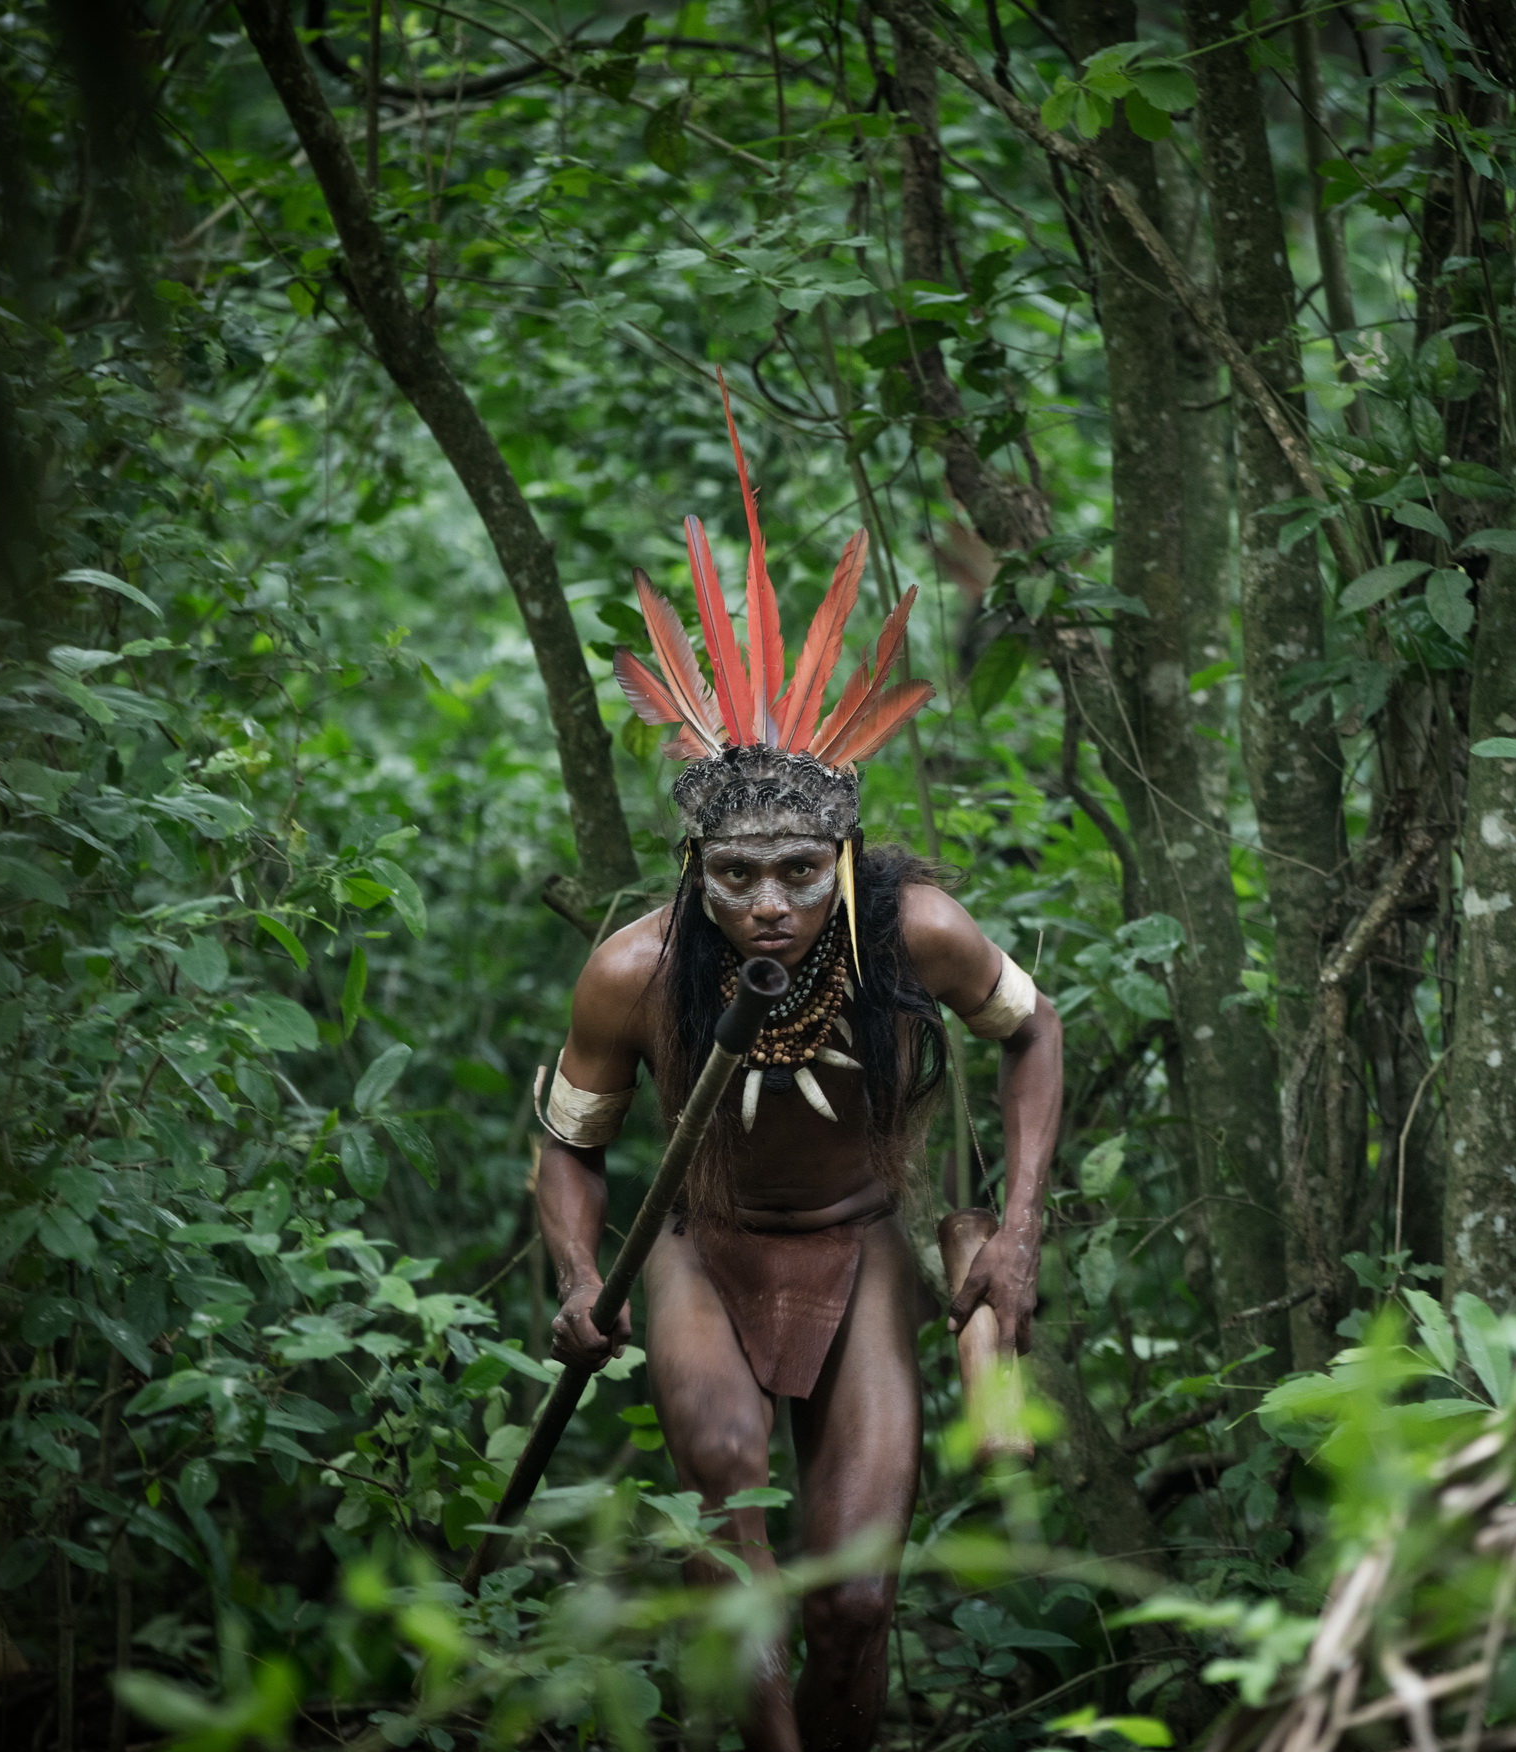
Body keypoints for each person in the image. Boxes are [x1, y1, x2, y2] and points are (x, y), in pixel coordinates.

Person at [530, 395, 1061, 1752]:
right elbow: (572, 1138)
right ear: (694, 869)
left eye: (792, 873)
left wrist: (1014, 1231)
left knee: (859, 1600)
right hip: (705, 1256)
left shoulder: (916, 930)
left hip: (861, 1247)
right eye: (734, 875)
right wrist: (582, 1279)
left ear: (838, 855)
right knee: (723, 1492)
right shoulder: (637, 970)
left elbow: (1033, 1033)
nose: (766, 904)